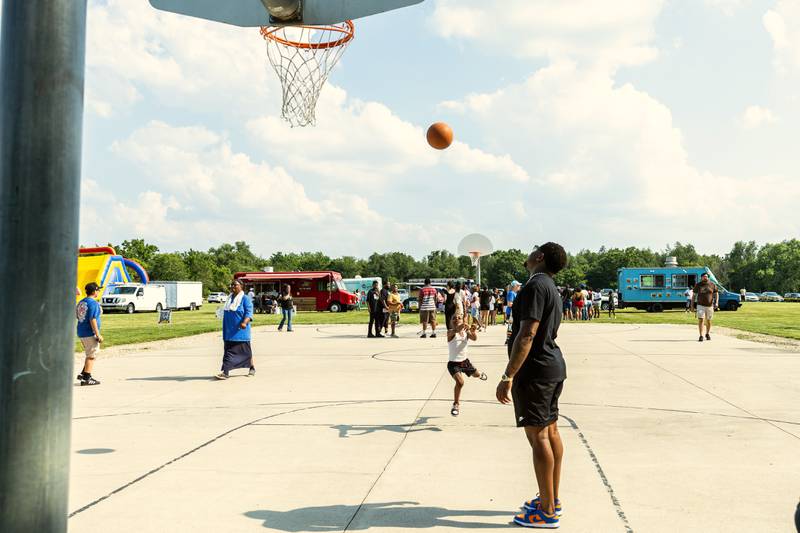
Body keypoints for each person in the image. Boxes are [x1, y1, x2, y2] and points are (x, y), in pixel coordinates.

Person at [496, 243, 568, 529]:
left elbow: (527, 334)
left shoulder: (536, 286)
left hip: (536, 371)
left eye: (533, 249)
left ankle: (547, 511)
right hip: (551, 367)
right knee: (550, 432)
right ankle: (550, 497)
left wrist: (507, 375)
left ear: (539, 257)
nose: (529, 252)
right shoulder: (549, 285)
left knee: (539, 436)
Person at [447, 316, 488, 416]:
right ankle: (456, 404)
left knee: (476, 374)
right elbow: (457, 329)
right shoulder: (450, 332)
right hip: (453, 364)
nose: (456, 319)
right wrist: (464, 325)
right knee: (460, 382)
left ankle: (479, 374)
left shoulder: (466, 332)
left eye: (459, 318)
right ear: (451, 322)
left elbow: (474, 338)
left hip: (465, 362)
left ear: (463, 320)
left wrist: (473, 329)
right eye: (454, 318)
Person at [216, 279, 255, 380]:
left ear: (241, 286)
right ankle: (226, 372)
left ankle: (251, 367)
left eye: (235, 285)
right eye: (232, 285)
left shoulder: (245, 299)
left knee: (246, 352)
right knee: (228, 351)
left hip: (240, 331)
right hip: (229, 330)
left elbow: (249, 313)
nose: (233, 287)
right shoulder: (229, 298)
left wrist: (244, 322)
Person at [76, 282, 104, 386]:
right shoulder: (93, 303)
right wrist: (97, 334)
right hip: (89, 332)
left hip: (81, 331)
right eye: (98, 290)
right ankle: (86, 378)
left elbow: (78, 316)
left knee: (89, 353)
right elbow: (92, 319)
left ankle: (83, 374)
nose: (98, 292)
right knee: (92, 355)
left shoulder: (81, 302)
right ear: (95, 291)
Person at [691, 272, 719, 342]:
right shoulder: (698, 285)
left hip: (710, 306)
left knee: (708, 321)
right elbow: (694, 296)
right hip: (700, 305)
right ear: (701, 277)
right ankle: (701, 335)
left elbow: (716, 294)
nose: (705, 277)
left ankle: (707, 333)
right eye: (703, 276)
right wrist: (691, 306)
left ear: (708, 277)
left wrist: (716, 302)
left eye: (706, 276)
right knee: (701, 319)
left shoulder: (712, 284)